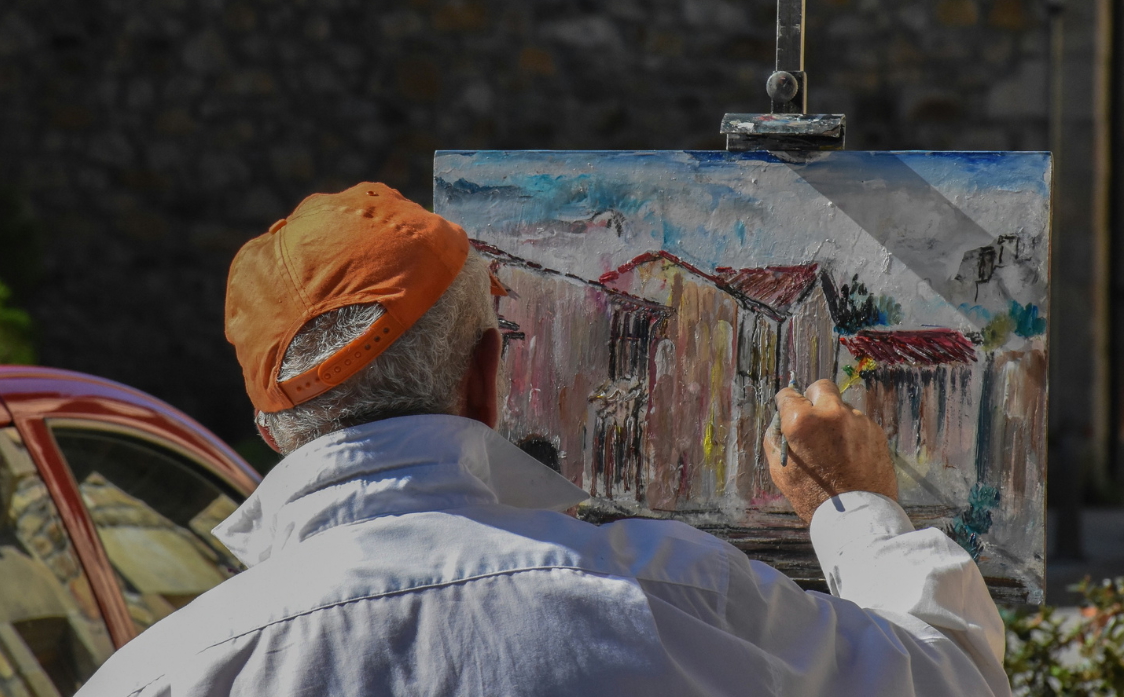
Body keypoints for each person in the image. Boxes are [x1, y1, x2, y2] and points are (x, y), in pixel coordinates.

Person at [78, 183, 1011, 697]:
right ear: (486, 377)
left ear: (270, 429)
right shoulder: (674, 596)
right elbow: (951, 682)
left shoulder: (159, 677)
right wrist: (857, 510)